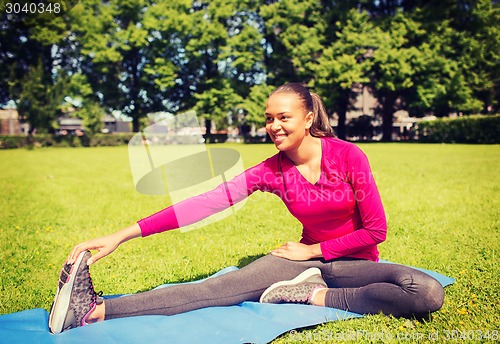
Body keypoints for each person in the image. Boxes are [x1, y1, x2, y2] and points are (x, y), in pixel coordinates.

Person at [48, 83, 445, 334]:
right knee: (215, 290)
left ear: (308, 118)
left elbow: (377, 231)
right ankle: (96, 310)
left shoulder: (348, 157)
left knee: (424, 292)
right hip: (298, 261)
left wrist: (312, 252)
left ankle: (311, 296)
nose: (273, 126)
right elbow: (203, 204)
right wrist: (122, 234)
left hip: (352, 262)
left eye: (283, 117)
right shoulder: (270, 171)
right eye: (268, 118)